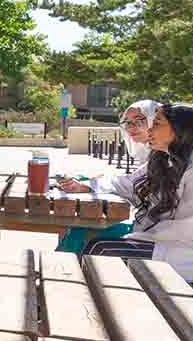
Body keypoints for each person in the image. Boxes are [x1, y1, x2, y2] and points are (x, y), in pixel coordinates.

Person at [64, 103, 193, 282]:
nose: (150, 130)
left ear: (180, 129)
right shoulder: (166, 158)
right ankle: (67, 289)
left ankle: (80, 300)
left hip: (191, 254)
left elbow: (189, 228)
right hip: (159, 242)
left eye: (157, 124)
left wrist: (139, 237)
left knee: (102, 248)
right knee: (89, 234)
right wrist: (87, 186)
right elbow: (128, 184)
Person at [57, 98, 159, 254]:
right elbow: (128, 183)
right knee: (79, 226)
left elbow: (128, 185)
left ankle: (63, 271)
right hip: (147, 227)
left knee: (82, 230)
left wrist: (88, 185)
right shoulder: (151, 154)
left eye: (139, 121)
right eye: (127, 123)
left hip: (158, 236)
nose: (131, 127)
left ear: (155, 121)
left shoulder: (165, 156)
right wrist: (88, 183)